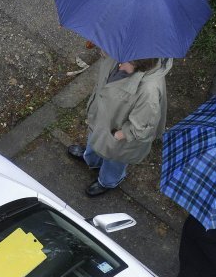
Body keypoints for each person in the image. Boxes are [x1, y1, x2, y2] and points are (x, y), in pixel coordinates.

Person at [67, 56, 173, 196]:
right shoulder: (122, 56)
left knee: (115, 160)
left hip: (119, 136)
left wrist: (116, 135)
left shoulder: (149, 91)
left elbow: (141, 127)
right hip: (103, 119)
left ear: (141, 65)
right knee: (95, 140)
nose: (120, 65)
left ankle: (108, 181)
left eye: (126, 62)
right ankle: (91, 159)